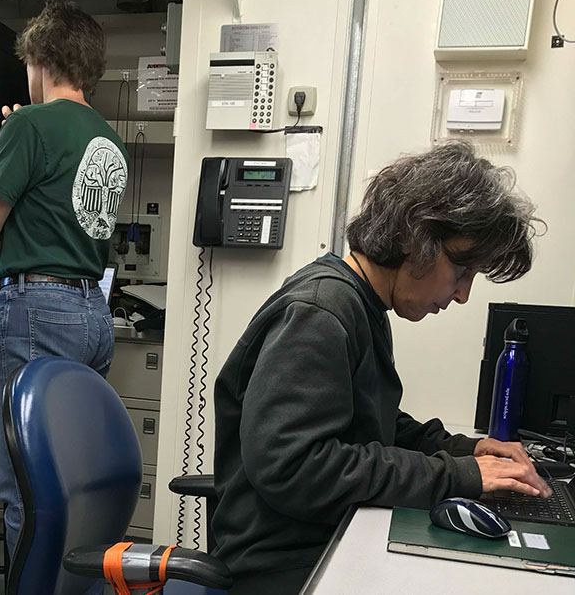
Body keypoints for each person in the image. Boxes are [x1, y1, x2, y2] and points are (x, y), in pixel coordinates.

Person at [211, 141, 551, 595]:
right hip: (283, 566)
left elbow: (373, 421)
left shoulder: (359, 305)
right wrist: (458, 475)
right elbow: (293, 466)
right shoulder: (321, 312)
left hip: (325, 537)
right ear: (416, 237)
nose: (463, 294)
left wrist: (467, 451)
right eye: (463, 271)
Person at [0, 0, 128, 555]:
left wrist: (15, 138)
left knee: (25, 488)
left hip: (37, 309)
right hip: (92, 314)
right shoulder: (109, 139)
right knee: (74, 477)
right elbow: (67, 215)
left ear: (40, 58)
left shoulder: (31, 124)